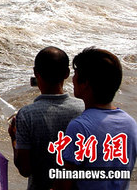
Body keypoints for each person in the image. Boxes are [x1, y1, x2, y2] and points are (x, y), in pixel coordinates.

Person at [54, 48, 137, 190]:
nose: (73, 79)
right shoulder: (130, 124)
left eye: (75, 73)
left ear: (85, 83)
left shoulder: (79, 127)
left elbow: (63, 185)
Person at [8, 46, 84, 190]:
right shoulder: (84, 108)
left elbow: (25, 169)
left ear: (36, 73)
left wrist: (13, 137)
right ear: (67, 73)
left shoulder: (26, 115)